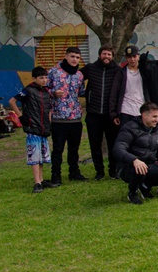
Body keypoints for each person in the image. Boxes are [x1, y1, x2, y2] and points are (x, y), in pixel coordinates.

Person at [111, 102, 158, 205]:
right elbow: (118, 149)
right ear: (144, 115)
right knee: (139, 169)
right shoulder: (129, 128)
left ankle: (144, 186)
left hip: (149, 165)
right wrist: (134, 160)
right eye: (154, 116)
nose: (157, 119)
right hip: (128, 166)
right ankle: (132, 193)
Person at [9, 67, 57, 193]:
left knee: (42, 156)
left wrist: (49, 123)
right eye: (41, 78)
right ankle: (37, 182)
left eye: (46, 77)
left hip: (43, 128)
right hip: (32, 127)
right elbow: (12, 101)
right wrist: (20, 116)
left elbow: (49, 110)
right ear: (34, 79)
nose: (44, 80)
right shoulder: (28, 90)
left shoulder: (46, 92)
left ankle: (41, 179)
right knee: (34, 156)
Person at [47, 46, 87, 184]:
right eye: (72, 56)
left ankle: (74, 172)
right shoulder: (54, 72)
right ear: (66, 56)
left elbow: (81, 92)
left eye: (77, 57)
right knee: (58, 149)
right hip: (59, 117)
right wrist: (53, 93)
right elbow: (43, 89)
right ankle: (56, 175)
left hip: (75, 117)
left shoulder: (79, 75)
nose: (74, 59)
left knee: (74, 149)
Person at [81, 45, 120, 179]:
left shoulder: (117, 70)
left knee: (113, 144)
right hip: (93, 113)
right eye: (104, 54)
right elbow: (75, 77)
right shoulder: (90, 68)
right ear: (99, 55)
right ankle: (99, 171)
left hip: (110, 115)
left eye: (109, 54)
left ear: (112, 56)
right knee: (94, 144)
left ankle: (113, 171)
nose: (106, 56)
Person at [110, 44, 149, 128]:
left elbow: (150, 78)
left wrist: (144, 63)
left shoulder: (143, 72)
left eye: (134, 56)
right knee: (126, 137)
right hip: (125, 110)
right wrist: (114, 114)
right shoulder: (121, 73)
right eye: (129, 57)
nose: (132, 59)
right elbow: (114, 93)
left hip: (141, 110)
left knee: (140, 138)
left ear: (138, 56)